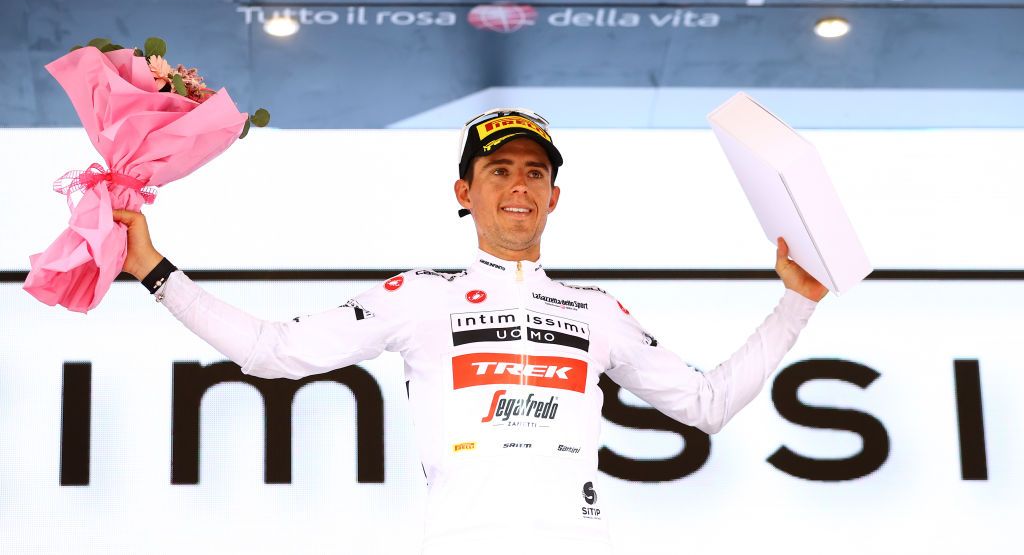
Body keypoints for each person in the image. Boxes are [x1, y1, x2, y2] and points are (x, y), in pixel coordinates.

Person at [113, 108, 828, 555]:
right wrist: (154, 270)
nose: (519, 184)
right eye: (499, 169)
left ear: (555, 196)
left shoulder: (596, 308)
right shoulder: (421, 295)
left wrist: (795, 304)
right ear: (466, 192)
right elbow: (273, 351)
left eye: (535, 172)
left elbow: (706, 404)